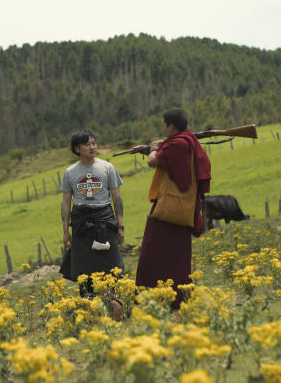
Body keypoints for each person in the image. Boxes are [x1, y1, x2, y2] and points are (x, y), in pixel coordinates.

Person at [133, 108, 211, 310]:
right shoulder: (186, 141)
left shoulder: (177, 143)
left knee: (151, 253)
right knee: (176, 255)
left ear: (171, 126)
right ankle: (175, 297)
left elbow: (154, 161)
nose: (163, 128)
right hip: (181, 207)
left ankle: (153, 298)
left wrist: (153, 148)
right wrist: (159, 146)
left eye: (164, 125)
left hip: (170, 208)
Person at [60, 130, 125, 304]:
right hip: (81, 222)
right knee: (84, 268)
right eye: (87, 144)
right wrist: (66, 230)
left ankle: (115, 302)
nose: (92, 147)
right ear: (77, 148)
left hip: (105, 219)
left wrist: (120, 225)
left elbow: (117, 198)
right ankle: (88, 305)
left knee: (112, 265)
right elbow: (66, 202)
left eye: (94, 143)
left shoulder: (107, 167)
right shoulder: (70, 172)